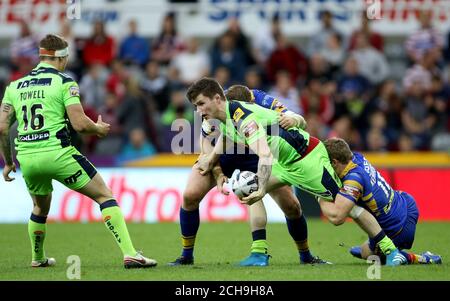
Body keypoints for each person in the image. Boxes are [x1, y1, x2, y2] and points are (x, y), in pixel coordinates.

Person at [187, 78, 404, 266]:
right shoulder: (224, 117)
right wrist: (211, 161)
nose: (198, 111)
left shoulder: (245, 118)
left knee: (340, 213)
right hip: (284, 164)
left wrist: (262, 186)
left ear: (217, 99)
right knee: (247, 191)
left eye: (201, 104)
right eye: (196, 106)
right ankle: (259, 254)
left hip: (306, 160)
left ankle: (391, 250)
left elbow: (264, 155)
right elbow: (226, 138)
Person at [0, 34, 156, 269]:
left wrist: (8, 161)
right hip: (58, 153)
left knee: (40, 207)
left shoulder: (15, 86)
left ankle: (38, 257)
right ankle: (130, 253)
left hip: (28, 158)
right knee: (105, 195)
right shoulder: (65, 82)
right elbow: (80, 124)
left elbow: (2, 127)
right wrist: (98, 128)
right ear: (61, 58)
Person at [169, 85, 328, 267]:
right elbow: (205, 138)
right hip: (226, 154)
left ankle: (305, 256)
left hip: (259, 154)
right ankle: (186, 256)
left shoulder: (263, 101)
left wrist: (295, 121)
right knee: (190, 195)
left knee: (291, 206)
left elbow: (293, 117)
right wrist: (218, 172)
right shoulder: (214, 106)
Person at [321, 137, 442, 265]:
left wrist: (319, 196)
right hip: (406, 203)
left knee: (369, 254)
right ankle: (371, 248)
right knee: (366, 247)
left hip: (398, 229)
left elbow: (337, 217)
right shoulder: (357, 157)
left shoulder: (354, 180)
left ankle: (421, 258)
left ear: (334, 162)